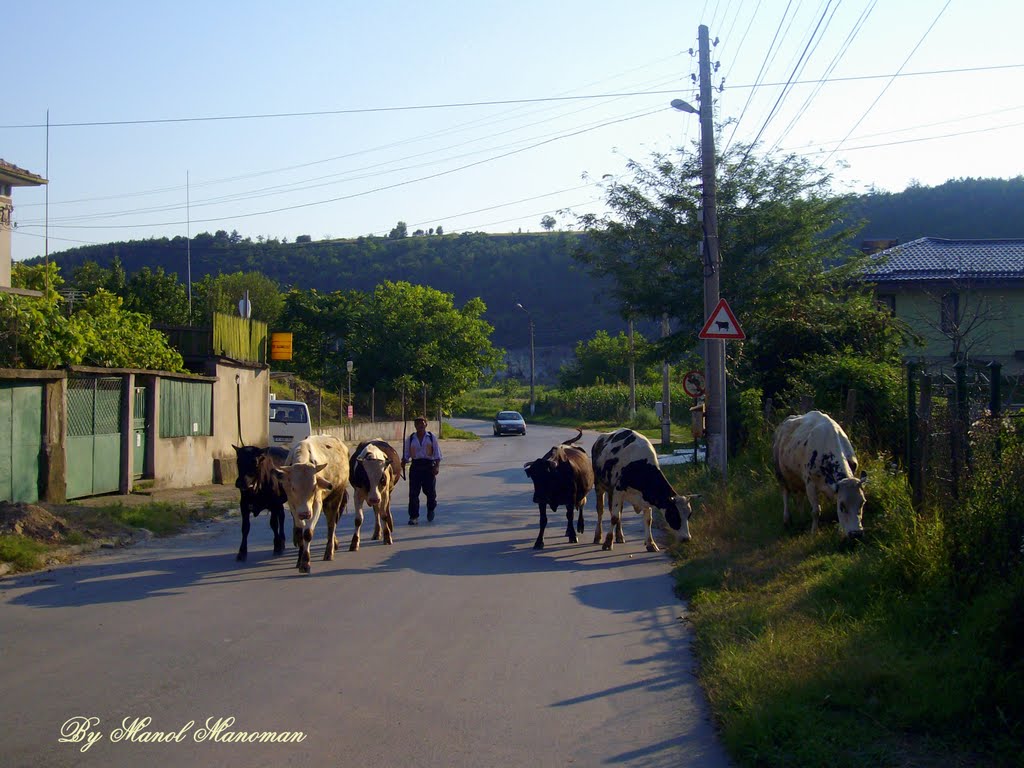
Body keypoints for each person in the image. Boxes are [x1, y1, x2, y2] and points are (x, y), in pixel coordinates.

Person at [402, 416, 443, 524]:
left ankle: (431, 508)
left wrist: (436, 466)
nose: (420, 425)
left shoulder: (431, 437)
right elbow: (406, 454)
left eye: (422, 423)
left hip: (429, 467)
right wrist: (404, 461)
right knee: (413, 494)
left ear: (426, 424)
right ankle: (413, 517)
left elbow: (437, 454)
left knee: (430, 493)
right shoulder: (410, 439)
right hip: (415, 467)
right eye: (418, 423)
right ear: (415, 426)